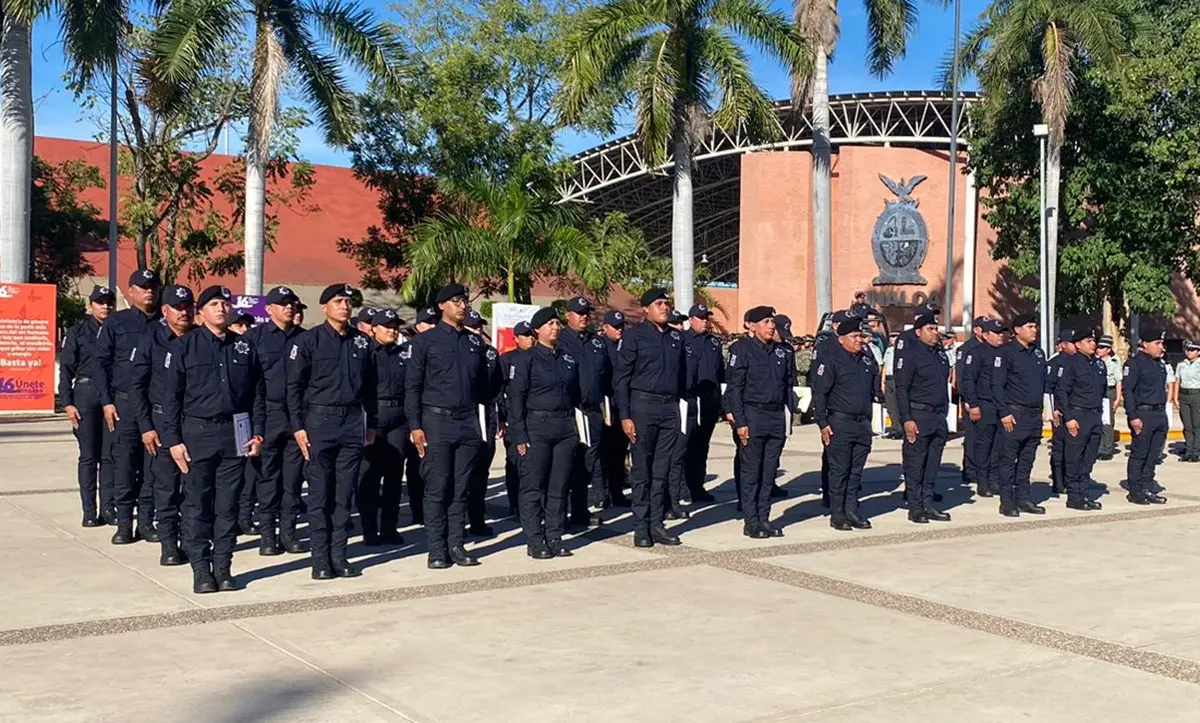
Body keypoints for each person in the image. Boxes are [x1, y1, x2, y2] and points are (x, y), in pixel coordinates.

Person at [161, 285, 266, 593]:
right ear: (201, 311)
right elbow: (170, 399)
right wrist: (174, 441)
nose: (221, 309)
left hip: (235, 433)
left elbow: (257, 395)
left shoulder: (243, 347)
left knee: (228, 505)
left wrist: (257, 433)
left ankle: (223, 566)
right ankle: (200, 569)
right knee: (196, 505)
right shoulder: (184, 346)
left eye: (225, 303)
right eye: (214, 304)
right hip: (197, 433)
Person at [286, 283, 378, 579]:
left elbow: (371, 389)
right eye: (338, 301)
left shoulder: (362, 342)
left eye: (348, 302)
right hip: (319, 423)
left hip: (351, 423)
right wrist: (298, 427)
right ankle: (320, 559)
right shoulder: (309, 341)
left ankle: (339, 555)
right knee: (319, 494)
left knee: (343, 493)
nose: (344, 306)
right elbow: (294, 388)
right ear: (324, 307)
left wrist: (371, 424)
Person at [404, 283, 491, 568]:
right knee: (437, 487)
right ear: (442, 305)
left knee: (460, 487)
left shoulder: (474, 342)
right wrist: (416, 426)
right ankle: (436, 549)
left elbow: (484, 386)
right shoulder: (424, 342)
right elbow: (413, 387)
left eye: (465, 301)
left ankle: (457, 544)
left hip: (467, 422)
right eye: (456, 301)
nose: (463, 306)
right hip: (436, 421)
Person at [613, 288, 686, 547]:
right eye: (658, 303)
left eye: (666, 303)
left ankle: (657, 523)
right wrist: (625, 415)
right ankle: (641, 526)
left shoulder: (676, 338)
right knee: (642, 471)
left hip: (669, 409)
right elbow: (621, 378)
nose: (664, 307)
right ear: (646, 309)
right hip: (642, 406)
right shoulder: (634, 336)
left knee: (662, 470)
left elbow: (682, 376)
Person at [507, 308, 581, 558]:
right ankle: (535, 540)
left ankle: (555, 536)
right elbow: (515, 399)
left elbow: (576, 394)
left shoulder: (566, 358)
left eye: (557, 323)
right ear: (537, 330)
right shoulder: (526, 360)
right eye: (549, 323)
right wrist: (519, 435)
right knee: (533, 487)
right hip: (536, 427)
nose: (555, 327)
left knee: (558, 487)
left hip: (564, 428)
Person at [96, 268, 163, 544]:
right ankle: (124, 524)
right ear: (131, 291)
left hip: (156, 406)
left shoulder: (165, 322)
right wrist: (106, 401)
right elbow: (100, 363)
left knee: (152, 466)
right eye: (143, 286)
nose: (149, 291)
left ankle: (146, 522)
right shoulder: (116, 323)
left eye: (153, 286)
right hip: (124, 405)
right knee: (124, 464)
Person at [130, 284, 195, 565]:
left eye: (188, 307)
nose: (183, 312)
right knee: (166, 487)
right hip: (159, 421)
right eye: (177, 308)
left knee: (194, 488)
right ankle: (169, 545)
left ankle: (192, 540)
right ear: (165, 310)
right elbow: (136, 387)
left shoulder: (199, 340)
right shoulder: (150, 340)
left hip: (194, 423)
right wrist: (145, 426)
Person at [243, 285, 308, 556]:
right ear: (268, 310)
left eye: (291, 303)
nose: (289, 307)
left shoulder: (306, 339)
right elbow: (247, 382)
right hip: (267, 414)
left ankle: (290, 532)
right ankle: (268, 535)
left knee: (293, 480)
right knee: (268, 479)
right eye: (282, 304)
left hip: (298, 416)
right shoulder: (254, 338)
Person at [724, 306, 798, 538]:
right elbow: (735, 388)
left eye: (772, 322)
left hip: (776, 416)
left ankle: (764, 518)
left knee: (768, 472)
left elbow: (788, 386)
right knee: (751, 472)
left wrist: (790, 416)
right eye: (766, 322)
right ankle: (751, 521)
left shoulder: (782, 352)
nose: (770, 326)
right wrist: (740, 421)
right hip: (752, 415)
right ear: (752, 325)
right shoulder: (741, 349)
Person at [811, 318, 881, 530]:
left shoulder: (866, 360)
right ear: (841, 339)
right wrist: (822, 423)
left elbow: (873, 388)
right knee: (839, 470)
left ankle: (851, 510)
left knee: (856, 471)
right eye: (854, 336)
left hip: (862, 424)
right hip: (840, 422)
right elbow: (820, 393)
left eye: (860, 336)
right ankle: (838, 513)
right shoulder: (831, 360)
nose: (859, 340)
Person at [60, 285, 117, 527]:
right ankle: (89, 510)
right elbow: (66, 368)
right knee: (88, 456)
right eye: (99, 302)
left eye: (108, 302)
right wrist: (67, 402)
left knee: (109, 456)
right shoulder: (78, 331)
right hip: (85, 393)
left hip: (111, 396)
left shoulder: (117, 330)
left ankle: (108, 507)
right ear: (90, 305)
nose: (105, 306)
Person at [358, 309, 410, 546]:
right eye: (387, 326)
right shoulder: (366, 353)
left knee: (394, 476)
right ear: (373, 329)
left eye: (395, 326)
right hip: (374, 416)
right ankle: (369, 529)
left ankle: (389, 528)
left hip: (398, 418)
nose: (392, 330)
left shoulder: (404, 355)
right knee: (369, 476)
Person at [895, 312, 952, 523]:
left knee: (932, 464)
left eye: (936, 329)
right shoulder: (910, 355)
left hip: (938, 416)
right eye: (930, 329)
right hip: (919, 415)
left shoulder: (939, 354)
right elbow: (901, 389)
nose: (934, 333)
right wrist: (907, 419)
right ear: (918, 332)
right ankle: (915, 507)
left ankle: (928, 504)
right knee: (915, 464)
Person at [990, 314, 1048, 516]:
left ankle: (1023, 498)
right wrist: (1004, 413)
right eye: (1030, 326)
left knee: (1027, 459)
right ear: (1017, 330)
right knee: (1008, 459)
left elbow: (1042, 385)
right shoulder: (1005, 352)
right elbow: (997, 385)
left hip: (1033, 415)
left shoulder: (1038, 353)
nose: (1034, 330)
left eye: (1035, 326)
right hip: (1014, 414)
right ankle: (1007, 501)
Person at [558, 297, 608, 528]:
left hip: (592, 412)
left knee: (588, 464)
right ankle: (561, 514)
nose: (584, 316)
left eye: (586, 312)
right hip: (570, 413)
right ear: (568, 315)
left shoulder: (597, 342)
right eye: (579, 312)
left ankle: (580, 511)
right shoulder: (560, 341)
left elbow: (606, 377)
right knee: (566, 465)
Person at [1054, 328, 1107, 510]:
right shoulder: (1071, 364)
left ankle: (1084, 494)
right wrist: (1068, 418)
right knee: (1074, 458)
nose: (1093, 343)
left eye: (1093, 340)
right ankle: (1074, 497)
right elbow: (1062, 392)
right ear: (1077, 344)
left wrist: (1103, 416)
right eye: (1088, 340)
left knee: (1089, 458)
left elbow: (1103, 393)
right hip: (1078, 415)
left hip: (1094, 416)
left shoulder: (1099, 365)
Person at [463, 309, 500, 538]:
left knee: (481, 472)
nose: (476, 331)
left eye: (478, 327)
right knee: (461, 472)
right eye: (472, 327)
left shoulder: (490, 353)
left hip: (486, 413)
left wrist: (498, 418)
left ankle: (477, 519)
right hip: (464, 413)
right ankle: (457, 524)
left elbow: (498, 387)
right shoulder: (459, 351)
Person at [960, 318, 1007, 498]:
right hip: (984, 403)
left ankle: (994, 480)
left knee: (998, 445)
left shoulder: (1003, 352)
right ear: (985, 335)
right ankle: (983, 481)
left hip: (999, 405)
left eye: (1001, 333)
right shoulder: (976, 353)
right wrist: (972, 404)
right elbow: (968, 380)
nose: (999, 337)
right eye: (996, 333)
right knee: (983, 444)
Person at [1124, 330, 1169, 504]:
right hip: (1143, 414)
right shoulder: (1135, 364)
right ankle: (1135, 490)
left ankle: (1147, 487)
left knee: (1153, 455)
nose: (1161, 347)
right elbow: (1127, 391)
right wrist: (1133, 416)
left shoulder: (1159, 364)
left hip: (1159, 413)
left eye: (1162, 343)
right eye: (1157, 343)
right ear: (1145, 345)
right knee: (1140, 454)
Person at [403, 306, 439, 525]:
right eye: (429, 322)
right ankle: (415, 509)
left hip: (429, 417)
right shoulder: (406, 350)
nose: (433, 326)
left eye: (436, 322)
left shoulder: (440, 351)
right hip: (404, 416)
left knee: (424, 466)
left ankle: (426, 513)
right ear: (418, 327)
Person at [684, 303, 722, 504]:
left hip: (709, 402)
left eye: (706, 317)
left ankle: (697, 486)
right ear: (691, 320)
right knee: (686, 446)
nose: (704, 321)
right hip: (691, 401)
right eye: (700, 317)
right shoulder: (683, 340)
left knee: (702, 447)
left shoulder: (714, 342)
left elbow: (720, 373)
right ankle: (683, 487)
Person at [499, 321, 536, 515]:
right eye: (525, 335)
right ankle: (515, 502)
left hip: (535, 418)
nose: (530, 338)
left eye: (532, 334)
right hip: (514, 418)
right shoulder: (507, 360)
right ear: (516, 338)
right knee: (515, 461)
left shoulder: (540, 358)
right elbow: (500, 390)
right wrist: (501, 418)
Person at [599, 310, 630, 507]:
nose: (619, 330)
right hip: (605, 403)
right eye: (615, 326)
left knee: (620, 451)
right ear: (605, 327)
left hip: (622, 404)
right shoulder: (599, 346)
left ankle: (616, 491)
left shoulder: (626, 345)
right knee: (603, 452)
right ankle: (602, 493)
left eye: (621, 326)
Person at [956, 317, 987, 484]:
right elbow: (962, 377)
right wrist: (967, 400)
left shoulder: (990, 348)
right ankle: (970, 471)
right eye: (984, 329)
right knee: (972, 437)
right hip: (971, 400)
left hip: (987, 400)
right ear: (976, 330)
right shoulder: (967, 349)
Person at [1046, 332, 1077, 495]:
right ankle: (1058, 481)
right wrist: (1052, 411)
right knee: (1060, 448)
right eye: (1071, 342)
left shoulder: (1080, 361)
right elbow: (1049, 389)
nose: (1074, 345)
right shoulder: (1055, 363)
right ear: (1063, 345)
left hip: (1076, 411)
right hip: (1060, 412)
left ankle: (1072, 478)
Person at [1097, 335, 1123, 460]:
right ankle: (1099, 447)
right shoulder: (1095, 361)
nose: (1098, 350)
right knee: (1098, 421)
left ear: (1108, 349)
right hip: (1097, 392)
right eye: (1098, 347)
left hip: (1109, 391)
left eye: (1102, 348)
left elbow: (1118, 381)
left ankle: (1107, 449)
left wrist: (1118, 399)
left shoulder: (1114, 362)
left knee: (1107, 421)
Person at [1177, 341, 1200, 462]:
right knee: (1187, 425)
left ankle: (1196, 452)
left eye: (1192, 350)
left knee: (1197, 425)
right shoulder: (1182, 364)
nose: (1189, 352)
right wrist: (1175, 397)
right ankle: (1188, 450)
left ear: (1198, 352)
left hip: (1197, 395)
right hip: (1184, 395)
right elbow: (1177, 381)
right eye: (1188, 350)